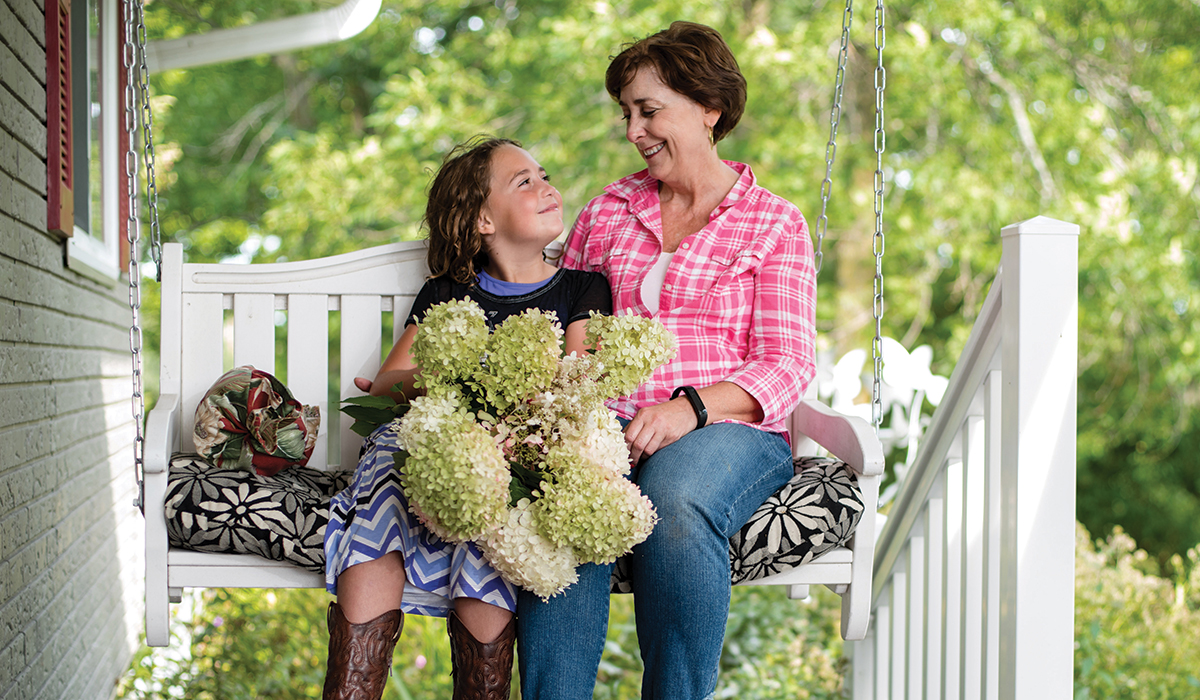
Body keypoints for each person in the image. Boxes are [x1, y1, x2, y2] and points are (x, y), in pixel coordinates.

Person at [515, 22, 817, 700]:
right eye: (627, 113)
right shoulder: (607, 212)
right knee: (562, 508)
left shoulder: (773, 222)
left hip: (728, 432)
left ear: (708, 109)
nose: (633, 130)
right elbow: (568, 327)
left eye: (649, 110)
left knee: (674, 499)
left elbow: (789, 361)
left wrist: (692, 408)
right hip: (609, 427)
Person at [322, 136, 612, 700]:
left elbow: (580, 381)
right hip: (431, 447)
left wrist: (504, 421)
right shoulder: (449, 293)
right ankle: (351, 690)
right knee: (389, 465)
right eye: (523, 182)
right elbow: (396, 379)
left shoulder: (582, 287)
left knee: (497, 504)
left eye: (543, 173)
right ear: (482, 218)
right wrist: (409, 387)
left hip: (518, 452)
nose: (546, 186)